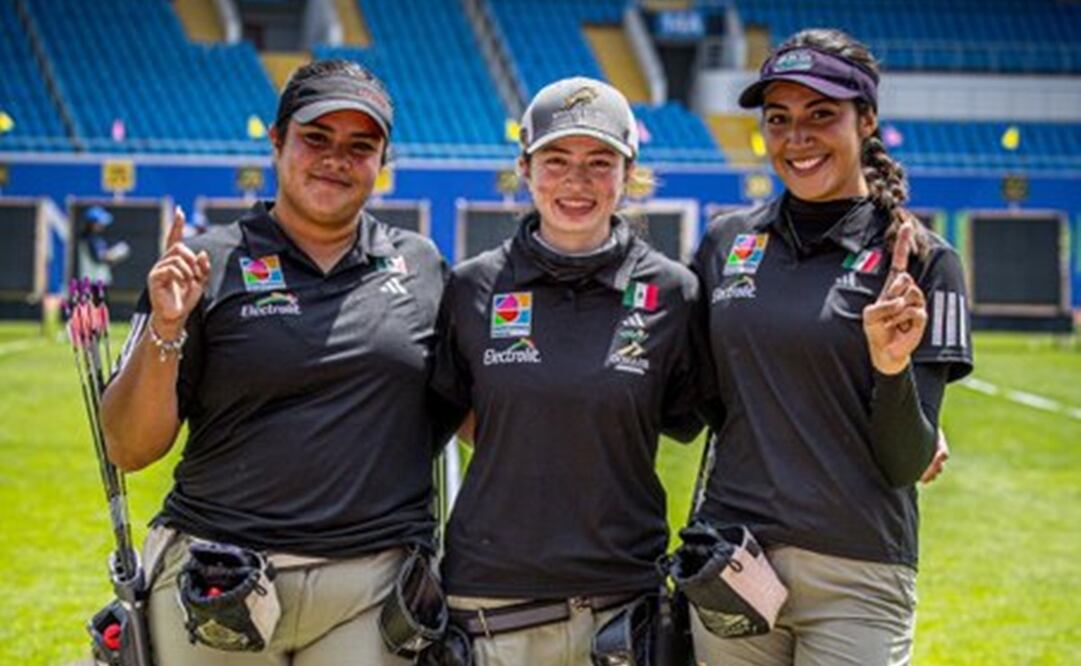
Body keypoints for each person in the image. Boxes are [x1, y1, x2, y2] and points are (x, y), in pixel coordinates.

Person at [100, 59, 447, 665]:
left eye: (360, 147)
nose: (336, 159)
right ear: (278, 141)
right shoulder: (202, 264)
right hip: (217, 576)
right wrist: (165, 327)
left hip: (371, 586)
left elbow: (476, 410)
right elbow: (128, 447)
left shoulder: (421, 267)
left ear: (382, 163)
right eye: (316, 138)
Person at [688, 29, 973, 665]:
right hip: (734, 561)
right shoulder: (723, 244)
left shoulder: (924, 261)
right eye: (779, 119)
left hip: (858, 570)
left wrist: (891, 369)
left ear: (866, 120)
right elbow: (692, 397)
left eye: (822, 115)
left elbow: (906, 462)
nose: (797, 138)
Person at [429, 77, 706, 665]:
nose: (576, 182)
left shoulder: (673, 293)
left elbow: (700, 415)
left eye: (600, 162)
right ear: (525, 167)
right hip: (491, 599)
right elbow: (455, 415)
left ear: (629, 173)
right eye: (556, 160)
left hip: (622, 603)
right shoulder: (471, 286)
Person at [78, 205, 130, 285]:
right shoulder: (89, 239)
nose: (102, 225)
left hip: (97, 282)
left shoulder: (96, 238)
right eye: (100, 222)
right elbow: (99, 258)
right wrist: (117, 252)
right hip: (91, 282)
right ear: (92, 224)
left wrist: (116, 255)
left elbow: (106, 261)